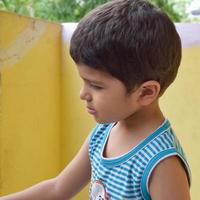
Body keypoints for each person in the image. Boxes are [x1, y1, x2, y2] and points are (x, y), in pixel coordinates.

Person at [0, 0, 191, 199]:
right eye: (84, 82)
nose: (83, 94)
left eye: (96, 86)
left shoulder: (161, 162)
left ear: (145, 93)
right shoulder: (103, 133)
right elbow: (58, 189)